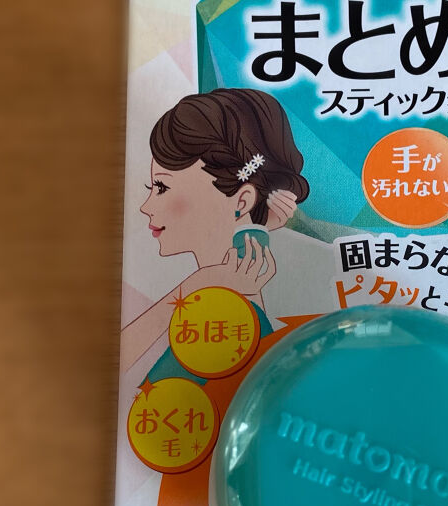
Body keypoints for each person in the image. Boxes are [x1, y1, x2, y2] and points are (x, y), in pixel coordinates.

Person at [121, 88, 309, 374]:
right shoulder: (232, 310)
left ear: (242, 201)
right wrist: (201, 282)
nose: (145, 207)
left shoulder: (228, 326)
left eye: (161, 187)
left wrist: (202, 284)